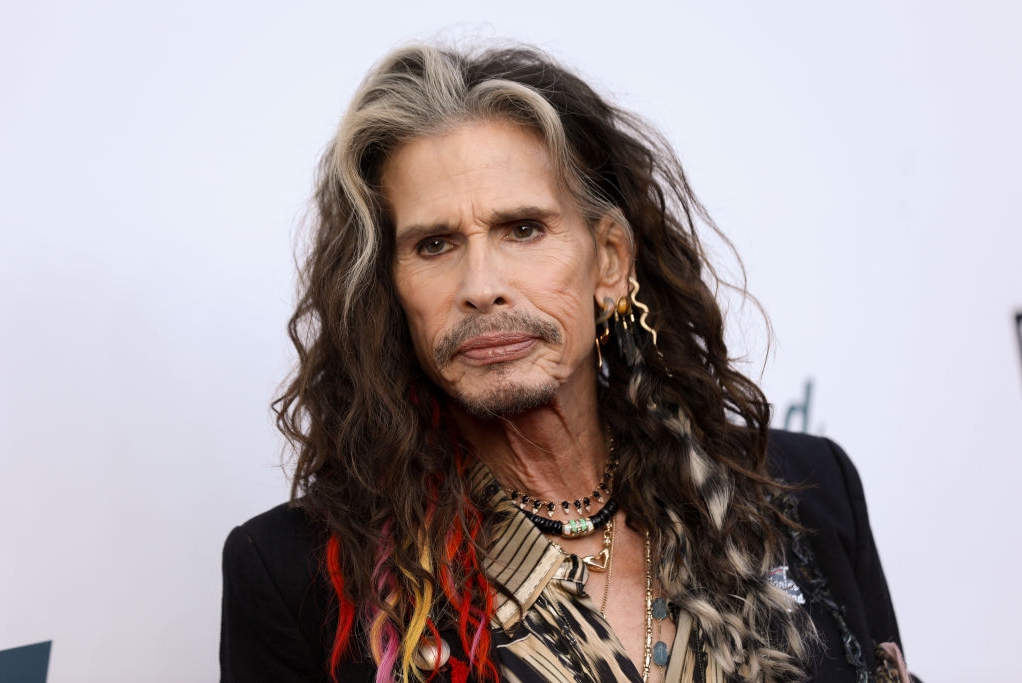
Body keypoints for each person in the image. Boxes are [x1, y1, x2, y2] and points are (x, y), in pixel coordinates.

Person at [220, 43, 917, 683]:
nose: (480, 284)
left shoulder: (801, 494)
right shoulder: (299, 576)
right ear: (389, 289)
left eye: (523, 228)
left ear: (609, 261)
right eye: (434, 244)